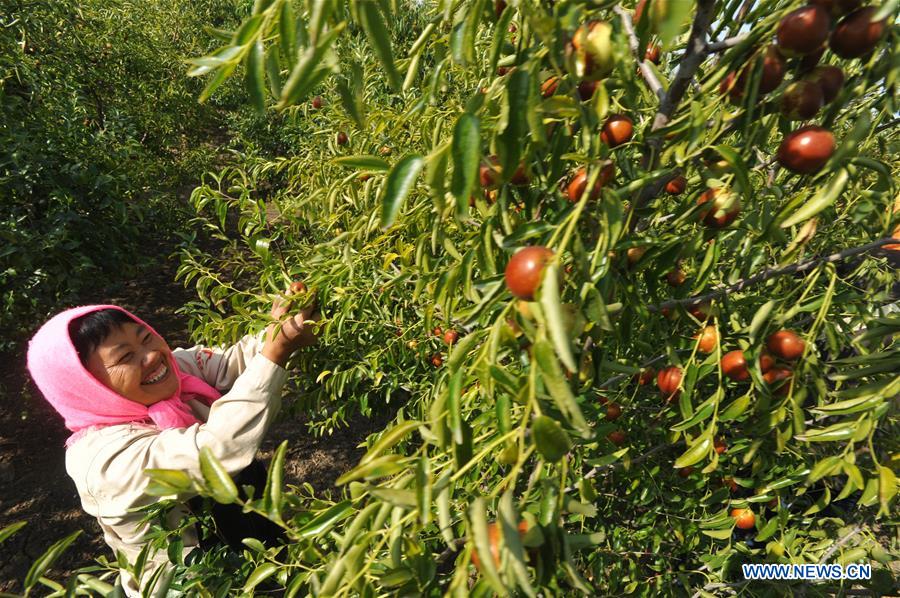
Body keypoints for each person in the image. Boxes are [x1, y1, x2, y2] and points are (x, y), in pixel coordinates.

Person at [26, 287, 318, 596]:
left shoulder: (171, 372)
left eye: (146, 337)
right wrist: (276, 351)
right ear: (85, 388)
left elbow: (226, 363)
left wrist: (278, 328)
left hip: (245, 532)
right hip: (193, 581)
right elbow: (212, 453)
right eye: (125, 357)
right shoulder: (104, 460)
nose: (151, 357)